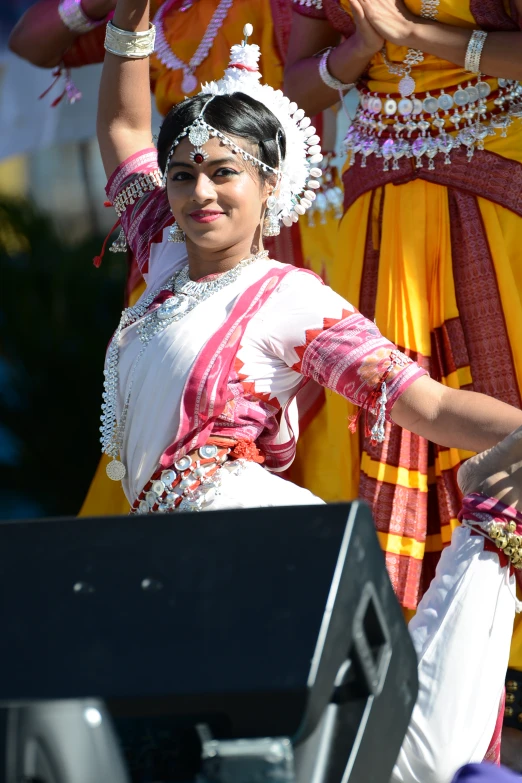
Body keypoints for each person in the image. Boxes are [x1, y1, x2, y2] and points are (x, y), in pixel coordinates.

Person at [8, 0, 342, 516]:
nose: (203, 186)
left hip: (294, 236)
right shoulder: (157, 235)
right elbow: (47, 54)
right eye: (184, 171)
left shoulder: (299, 298)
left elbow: (420, 400)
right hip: (183, 246)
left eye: (221, 171)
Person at [284, 0, 522, 613]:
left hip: (498, 173)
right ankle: (437, 624)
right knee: (401, 405)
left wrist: (416, 34)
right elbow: (297, 83)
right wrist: (360, 49)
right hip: (379, 198)